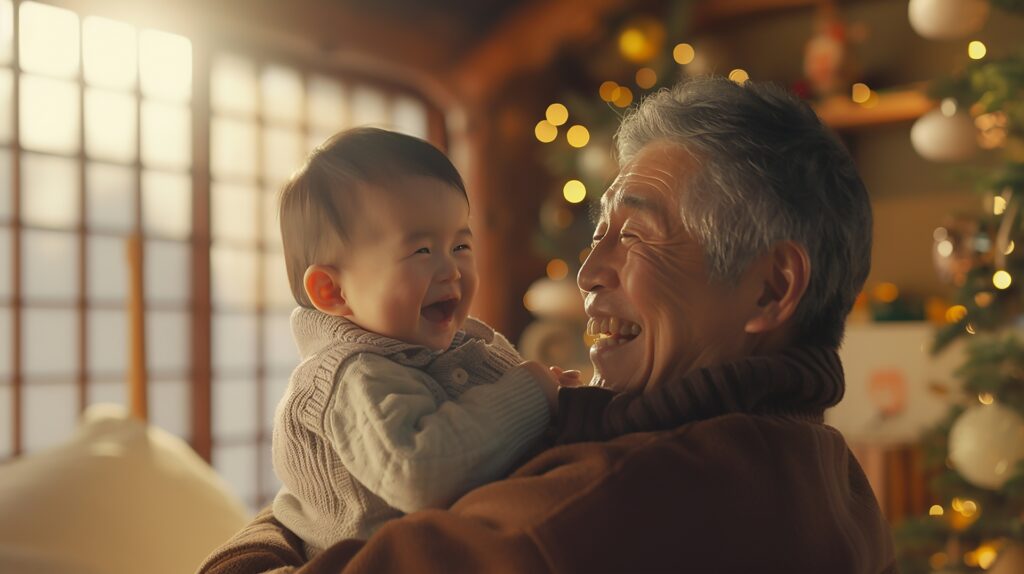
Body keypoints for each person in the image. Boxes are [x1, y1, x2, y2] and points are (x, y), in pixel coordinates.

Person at [198, 77, 896, 573]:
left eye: (638, 234)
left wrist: (278, 530)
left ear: (771, 288)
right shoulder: (835, 478)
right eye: (598, 232)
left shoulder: (593, 509)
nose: (589, 269)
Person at [267, 127, 562, 558]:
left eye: (461, 245)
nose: (452, 271)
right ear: (334, 291)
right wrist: (533, 392)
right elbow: (418, 474)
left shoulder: (461, 344)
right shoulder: (351, 376)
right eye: (422, 251)